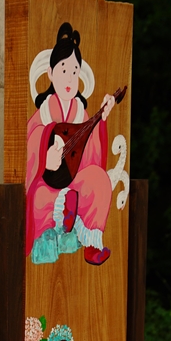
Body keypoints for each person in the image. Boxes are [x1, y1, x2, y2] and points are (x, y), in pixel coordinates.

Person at [26, 22, 115, 266]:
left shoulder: (80, 114)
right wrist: (45, 157)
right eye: (63, 70)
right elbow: (29, 145)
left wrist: (101, 120)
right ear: (50, 73)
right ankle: (63, 213)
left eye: (75, 72)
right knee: (39, 197)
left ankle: (91, 245)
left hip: (74, 181)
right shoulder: (44, 113)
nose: (69, 78)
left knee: (99, 179)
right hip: (48, 186)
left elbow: (91, 155)